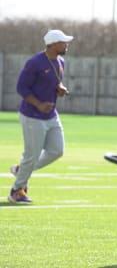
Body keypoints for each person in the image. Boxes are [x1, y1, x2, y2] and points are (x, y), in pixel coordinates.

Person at [8, 29, 74, 203]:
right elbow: (21, 88)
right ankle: (16, 190)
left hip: (51, 115)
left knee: (56, 151)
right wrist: (38, 104)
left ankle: (21, 169)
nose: (66, 45)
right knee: (32, 155)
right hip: (32, 115)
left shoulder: (61, 62)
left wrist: (60, 89)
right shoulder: (35, 62)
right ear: (52, 44)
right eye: (63, 42)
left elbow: (54, 82)